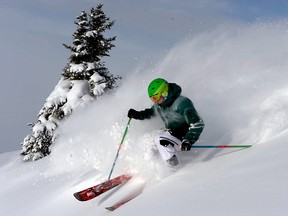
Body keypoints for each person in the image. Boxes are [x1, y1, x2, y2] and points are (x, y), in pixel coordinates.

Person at [127, 78, 204, 167]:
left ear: (165, 93)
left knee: (160, 140)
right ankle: (148, 166)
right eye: (152, 98)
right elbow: (150, 113)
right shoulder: (160, 105)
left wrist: (188, 140)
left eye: (155, 97)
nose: (154, 101)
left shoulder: (182, 103)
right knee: (148, 140)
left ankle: (174, 166)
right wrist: (136, 114)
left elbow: (197, 123)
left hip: (184, 137)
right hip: (172, 133)